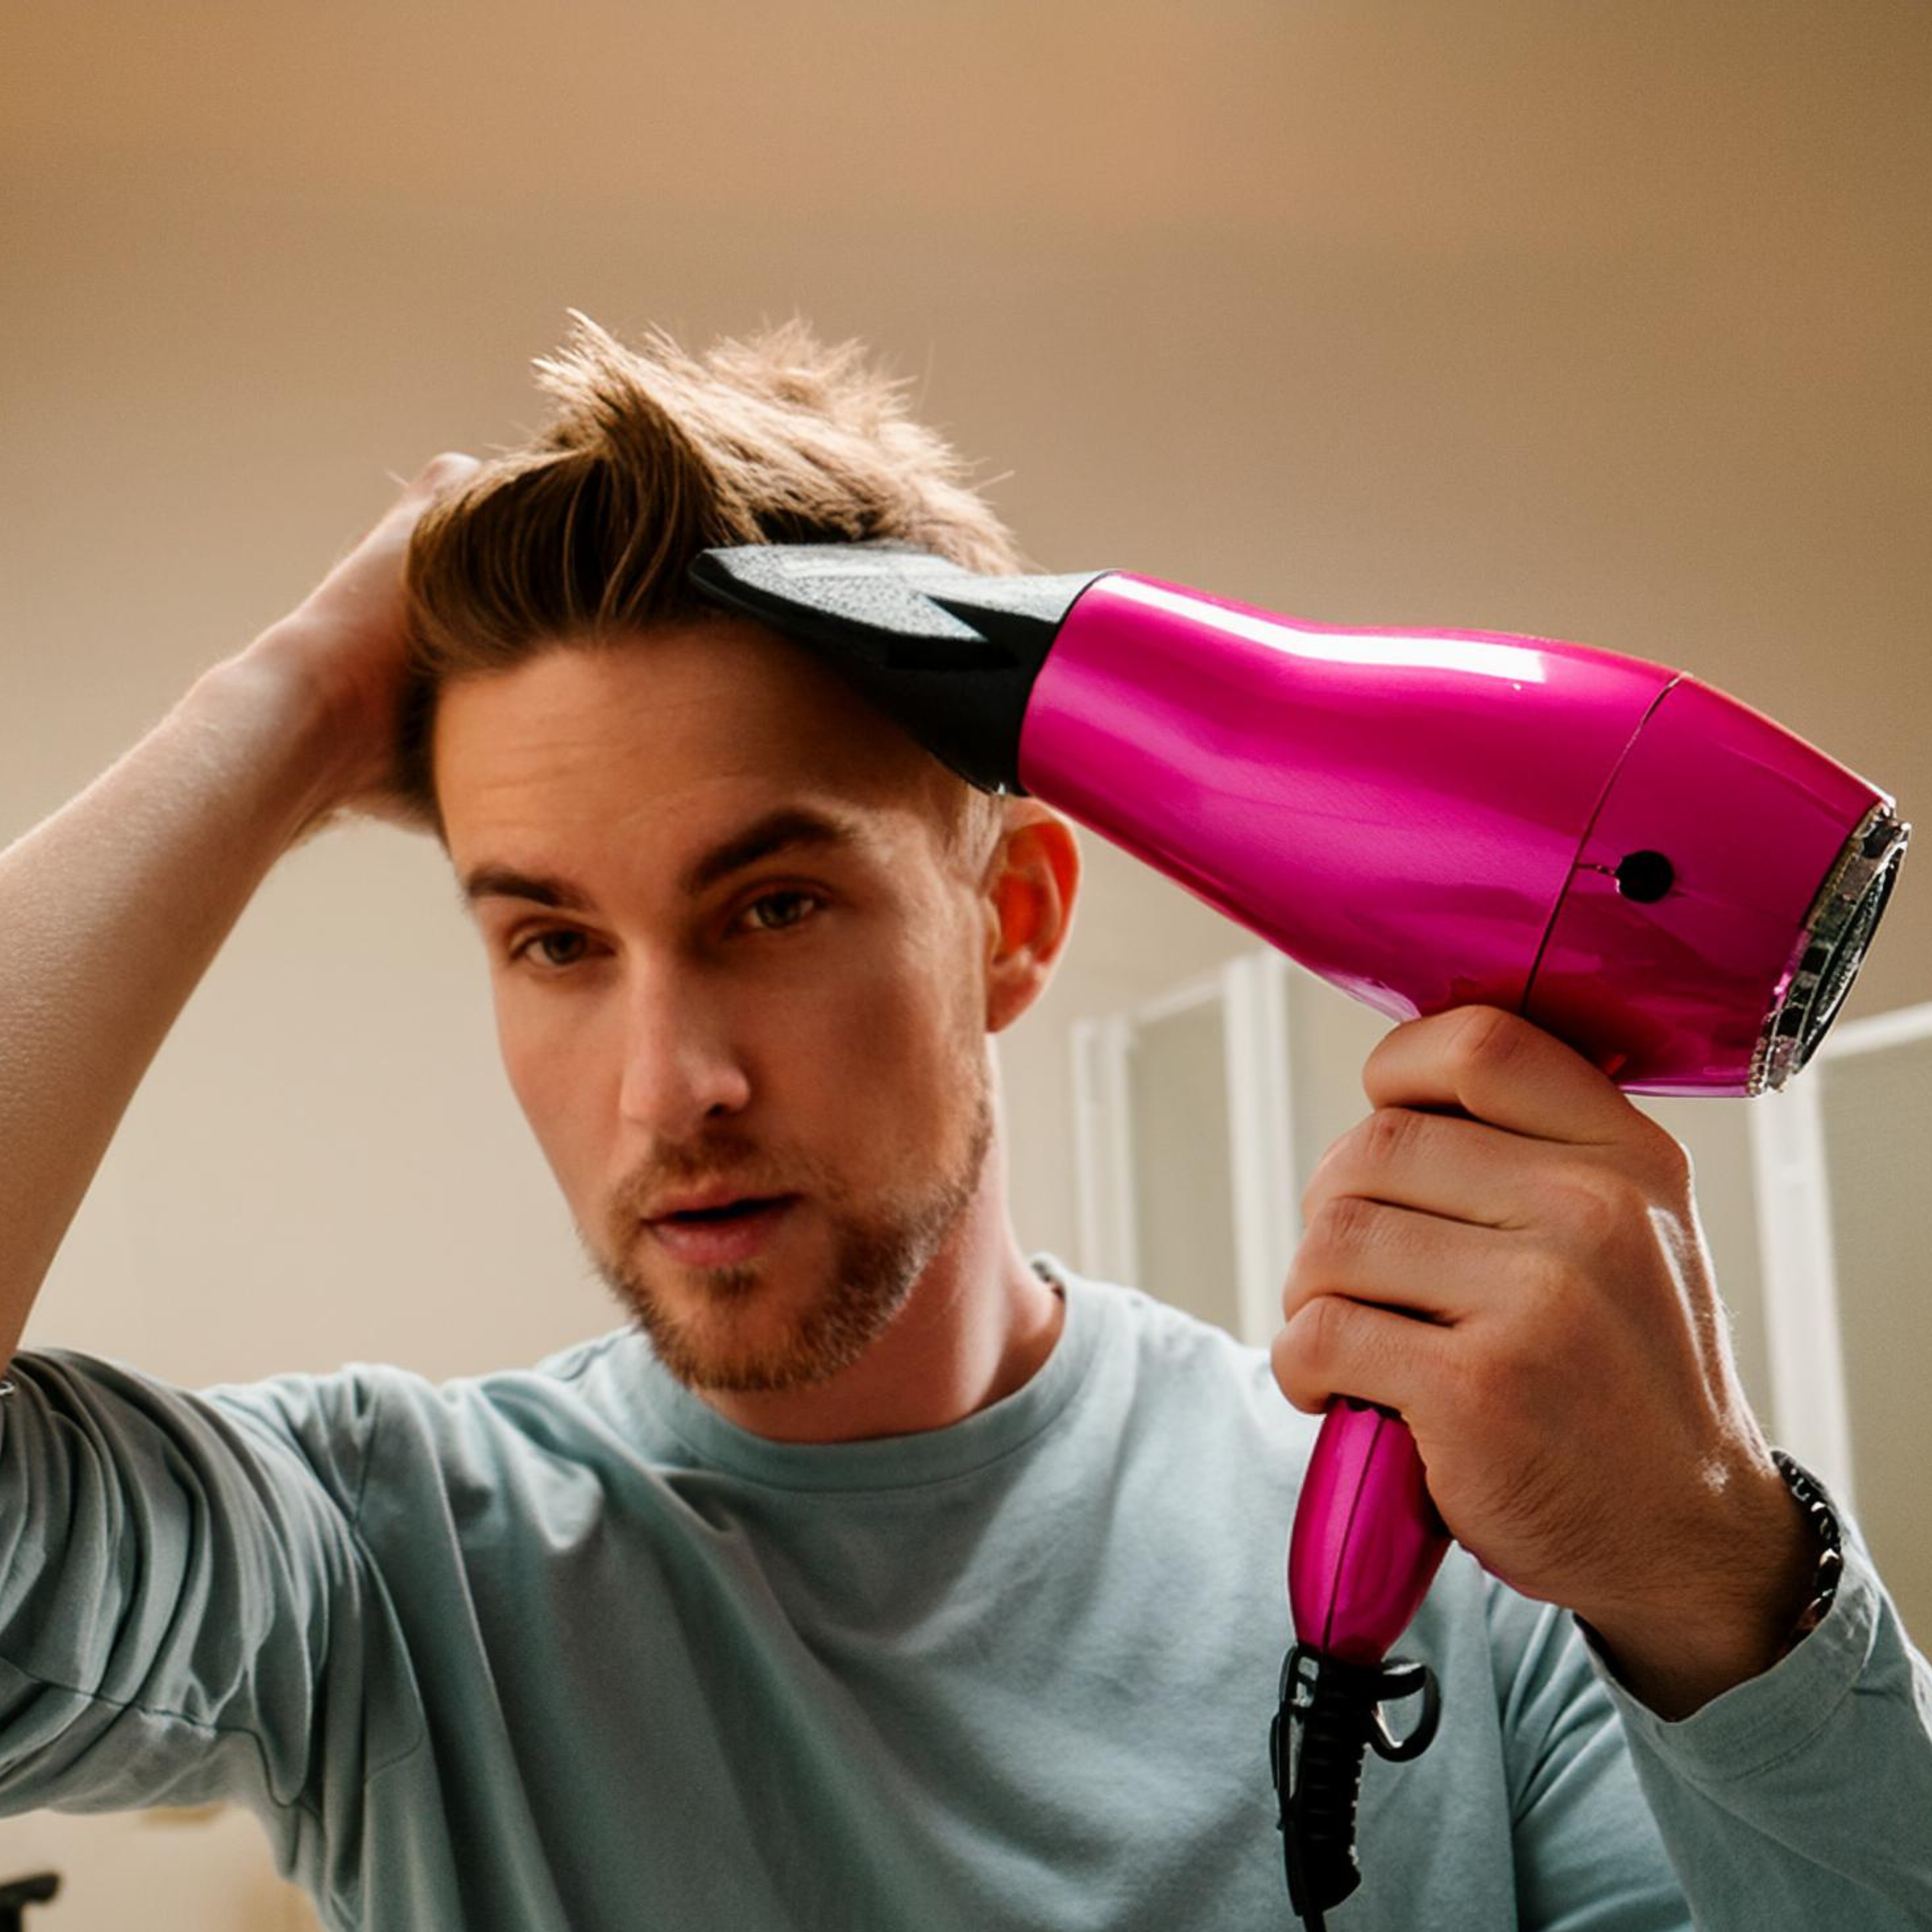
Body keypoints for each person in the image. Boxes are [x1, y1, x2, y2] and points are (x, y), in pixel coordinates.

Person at [0, 315, 1926, 1932]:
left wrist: (1714, 1575)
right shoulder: (375, 1572)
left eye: (771, 905)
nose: (670, 1081)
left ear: (1010, 917)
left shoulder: (1500, 1567)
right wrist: (275, 709)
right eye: (554, 939)